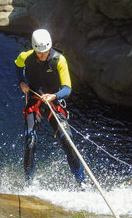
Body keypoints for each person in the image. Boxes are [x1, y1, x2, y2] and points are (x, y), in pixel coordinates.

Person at [15, 28, 86, 188]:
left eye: (45, 52)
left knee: (68, 143)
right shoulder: (25, 57)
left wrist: (54, 96)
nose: (42, 55)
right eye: (39, 52)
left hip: (53, 103)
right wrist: (21, 82)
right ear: (34, 48)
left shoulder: (59, 60)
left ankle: (81, 183)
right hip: (35, 101)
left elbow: (67, 88)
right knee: (30, 142)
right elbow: (18, 66)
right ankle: (28, 185)